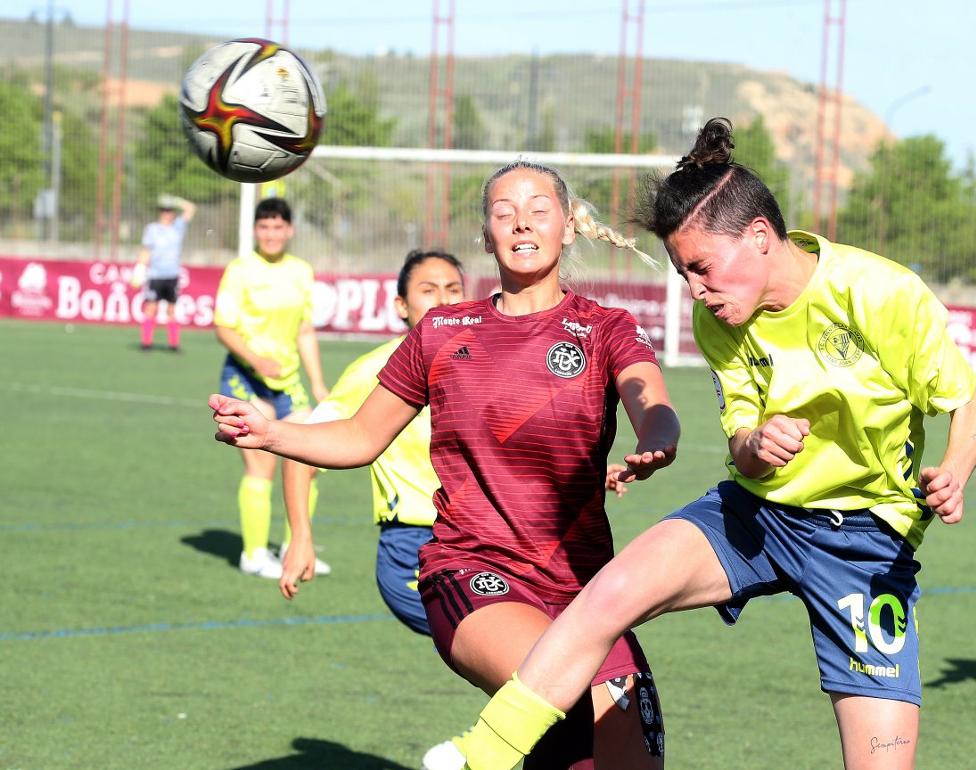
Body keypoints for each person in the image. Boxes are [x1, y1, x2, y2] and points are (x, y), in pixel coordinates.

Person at [421, 117, 976, 770]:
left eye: (701, 268)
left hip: (865, 541)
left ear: (758, 238)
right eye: (683, 274)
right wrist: (759, 444)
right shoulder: (717, 318)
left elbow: (971, 402)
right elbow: (742, 441)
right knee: (608, 595)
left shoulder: (882, 294)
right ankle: (486, 756)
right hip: (760, 513)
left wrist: (955, 468)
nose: (695, 290)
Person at [211, 160, 679, 769]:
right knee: (567, 694)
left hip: (585, 589)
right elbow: (357, 435)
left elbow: (652, 399)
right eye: (504, 211)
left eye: (539, 209)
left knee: (621, 754)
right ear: (487, 234)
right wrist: (273, 433)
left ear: (568, 227)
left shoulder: (605, 327)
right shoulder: (442, 331)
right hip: (471, 570)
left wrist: (658, 436)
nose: (521, 222)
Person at [279, 249, 466, 638]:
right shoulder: (375, 370)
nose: (444, 301)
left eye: (454, 289)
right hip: (414, 551)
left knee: (544, 657)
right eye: (428, 290)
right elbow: (301, 452)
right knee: (528, 656)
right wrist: (300, 538)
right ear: (401, 305)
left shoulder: (489, 363)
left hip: (487, 541)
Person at [214, 196, 329, 580]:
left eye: (278, 226)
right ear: (255, 231)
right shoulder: (240, 270)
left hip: (288, 382)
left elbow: (304, 330)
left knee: (307, 462)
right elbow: (224, 327)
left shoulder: (301, 271)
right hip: (246, 379)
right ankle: (253, 553)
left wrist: (318, 385)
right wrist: (256, 360)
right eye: (264, 227)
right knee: (260, 464)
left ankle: (296, 546)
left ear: (290, 230)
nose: (271, 233)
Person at [134, 194, 196, 352]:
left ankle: (174, 344)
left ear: (173, 213)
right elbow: (146, 251)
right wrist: (140, 268)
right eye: (164, 210)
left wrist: (175, 200)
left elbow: (191, 208)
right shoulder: (152, 229)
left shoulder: (178, 227)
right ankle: (146, 343)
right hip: (155, 275)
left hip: (172, 275)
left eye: (169, 210)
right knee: (151, 308)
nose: (166, 213)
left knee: (171, 310)